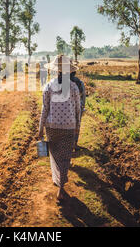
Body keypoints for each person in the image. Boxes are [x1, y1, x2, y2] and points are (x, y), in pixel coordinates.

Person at [38, 55, 80, 202]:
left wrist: (40, 129)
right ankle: (61, 187)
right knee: (65, 157)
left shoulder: (49, 86)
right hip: (69, 127)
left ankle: (58, 180)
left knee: (55, 155)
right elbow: (77, 111)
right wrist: (77, 130)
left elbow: (45, 109)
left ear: (56, 71)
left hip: (52, 127)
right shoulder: (74, 87)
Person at [70, 70, 86, 153]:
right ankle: (74, 144)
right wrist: (82, 106)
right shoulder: (79, 82)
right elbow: (83, 96)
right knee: (77, 126)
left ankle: (67, 144)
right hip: (78, 107)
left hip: (66, 108)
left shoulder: (59, 81)